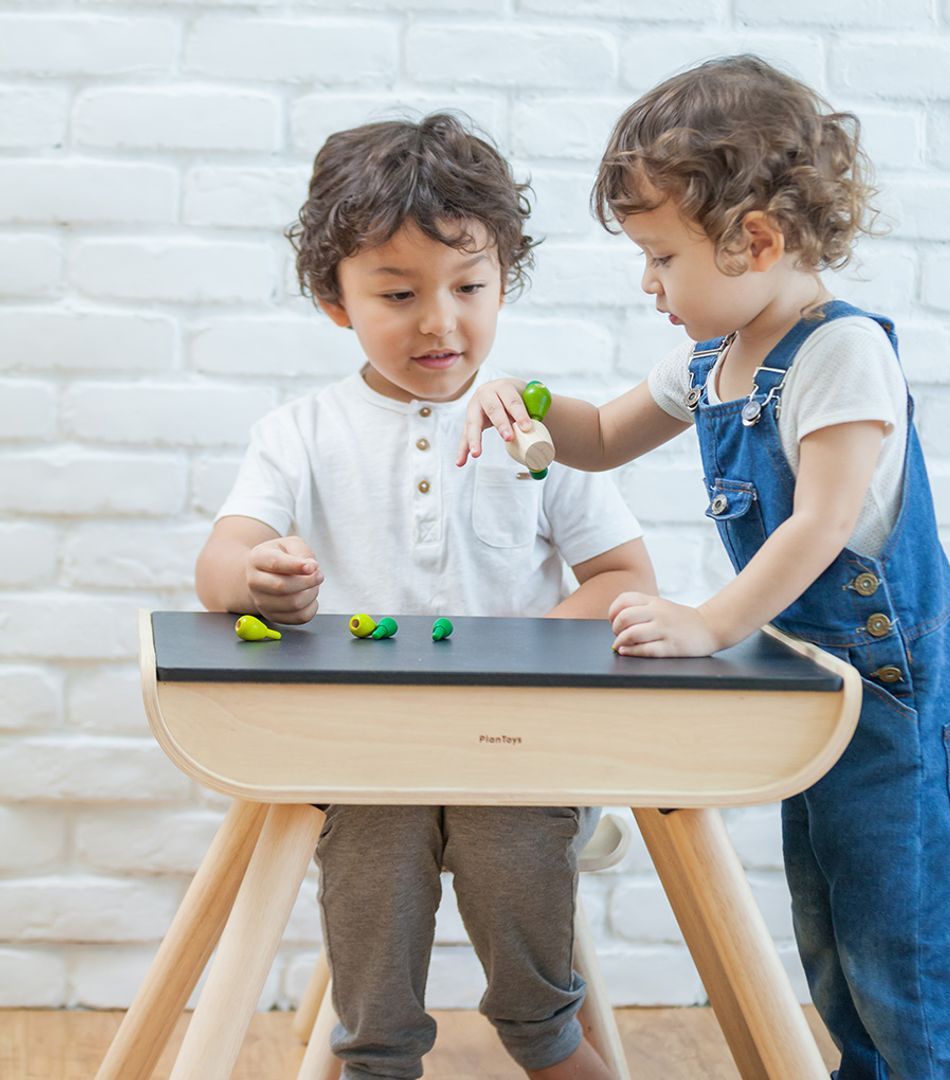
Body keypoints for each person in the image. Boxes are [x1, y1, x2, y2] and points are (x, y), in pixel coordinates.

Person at [458, 56, 950, 1080]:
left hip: (911, 713)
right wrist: (523, 398)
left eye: (661, 256)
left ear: (754, 238)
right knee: (836, 944)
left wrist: (710, 622)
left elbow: (819, 528)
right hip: (830, 701)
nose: (649, 283)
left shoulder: (844, 356)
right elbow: (604, 433)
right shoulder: (714, 360)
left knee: (908, 963)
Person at [195, 113, 655, 1080]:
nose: (440, 322)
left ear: (504, 284)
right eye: (398, 293)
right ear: (335, 300)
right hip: (369, 753)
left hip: (516, 752)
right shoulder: (302, 432)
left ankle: (545, 1035)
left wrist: (522, 652)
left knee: (510, 841)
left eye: (470, 288)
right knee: (371, 846)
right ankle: (375, 1053)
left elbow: (622, 581)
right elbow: (220, 559)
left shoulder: (544, 428)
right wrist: (257, 578)